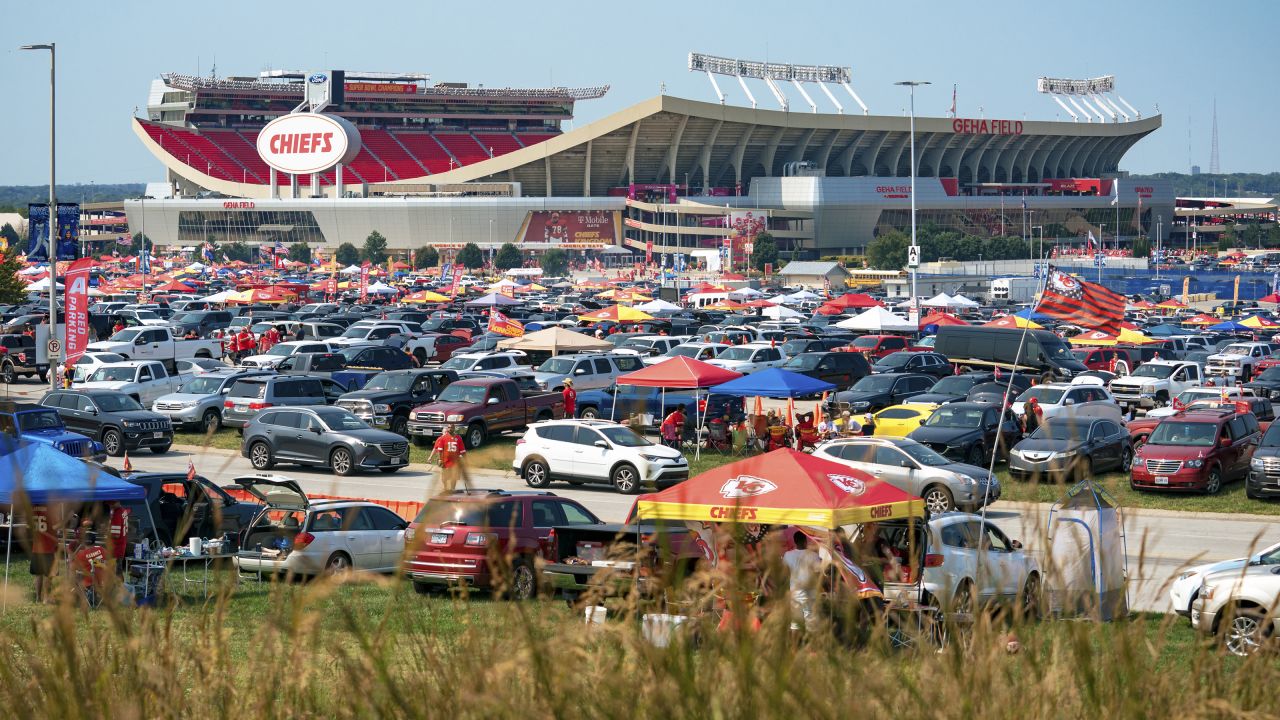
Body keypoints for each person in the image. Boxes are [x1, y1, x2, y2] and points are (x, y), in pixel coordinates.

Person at [781, 531, 822, 632]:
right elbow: (818, 574)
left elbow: (784, 573)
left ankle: (794, 647)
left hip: (795, 592)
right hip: (810, 592)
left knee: (795, 623)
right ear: (805, 541)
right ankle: (813, 647)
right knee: (811, 622)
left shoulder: (787, 555)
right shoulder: (813, 555)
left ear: (795, 541)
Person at [71, 528, 109, 608]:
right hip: (103, 582)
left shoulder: (81, 554)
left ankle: (82, 598)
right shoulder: (101, 549)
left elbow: (72, 567)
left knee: (75, 575)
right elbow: (108, 563)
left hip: (89, 583)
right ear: (94, 541)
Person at [29, 504, 58, 603]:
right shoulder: (50, 508)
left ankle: (38, 597)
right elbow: (55, 526)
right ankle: (46, 598)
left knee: (38, 574)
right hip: (48, 548)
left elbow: (28, 526)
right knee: (48, 575)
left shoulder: (32, 508)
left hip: (36, 547)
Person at [428, 425, 469, 494]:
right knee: (444, 477)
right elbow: (439, 450)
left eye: (451, 427)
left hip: (456, 461)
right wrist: (440, 459)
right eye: (448, 427)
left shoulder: (458, 438)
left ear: (454, 428)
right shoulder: (442, 438)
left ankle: (452, 489)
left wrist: (465, 460)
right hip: (445, 461)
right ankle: (445, 488)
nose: (450, 429)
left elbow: (462, 451)